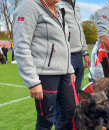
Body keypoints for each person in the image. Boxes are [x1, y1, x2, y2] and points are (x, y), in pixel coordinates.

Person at [13, 0, 76, 129]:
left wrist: (70, 69)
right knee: (46, 120)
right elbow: (21, 46)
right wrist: (33, 81)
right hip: (46, 75)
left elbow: (65, 43)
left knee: (69, 112)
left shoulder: (59, 10)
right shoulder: (29, 5)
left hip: (65, 74)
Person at [54, 0, 91, 127]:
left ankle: (70, 125)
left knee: (74, 98)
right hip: (66, 56)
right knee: (64, 100)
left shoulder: (77, 7)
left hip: (78, 56)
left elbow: (80, 31)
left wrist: (85, 53)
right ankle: (59, 125)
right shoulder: (57, 5)